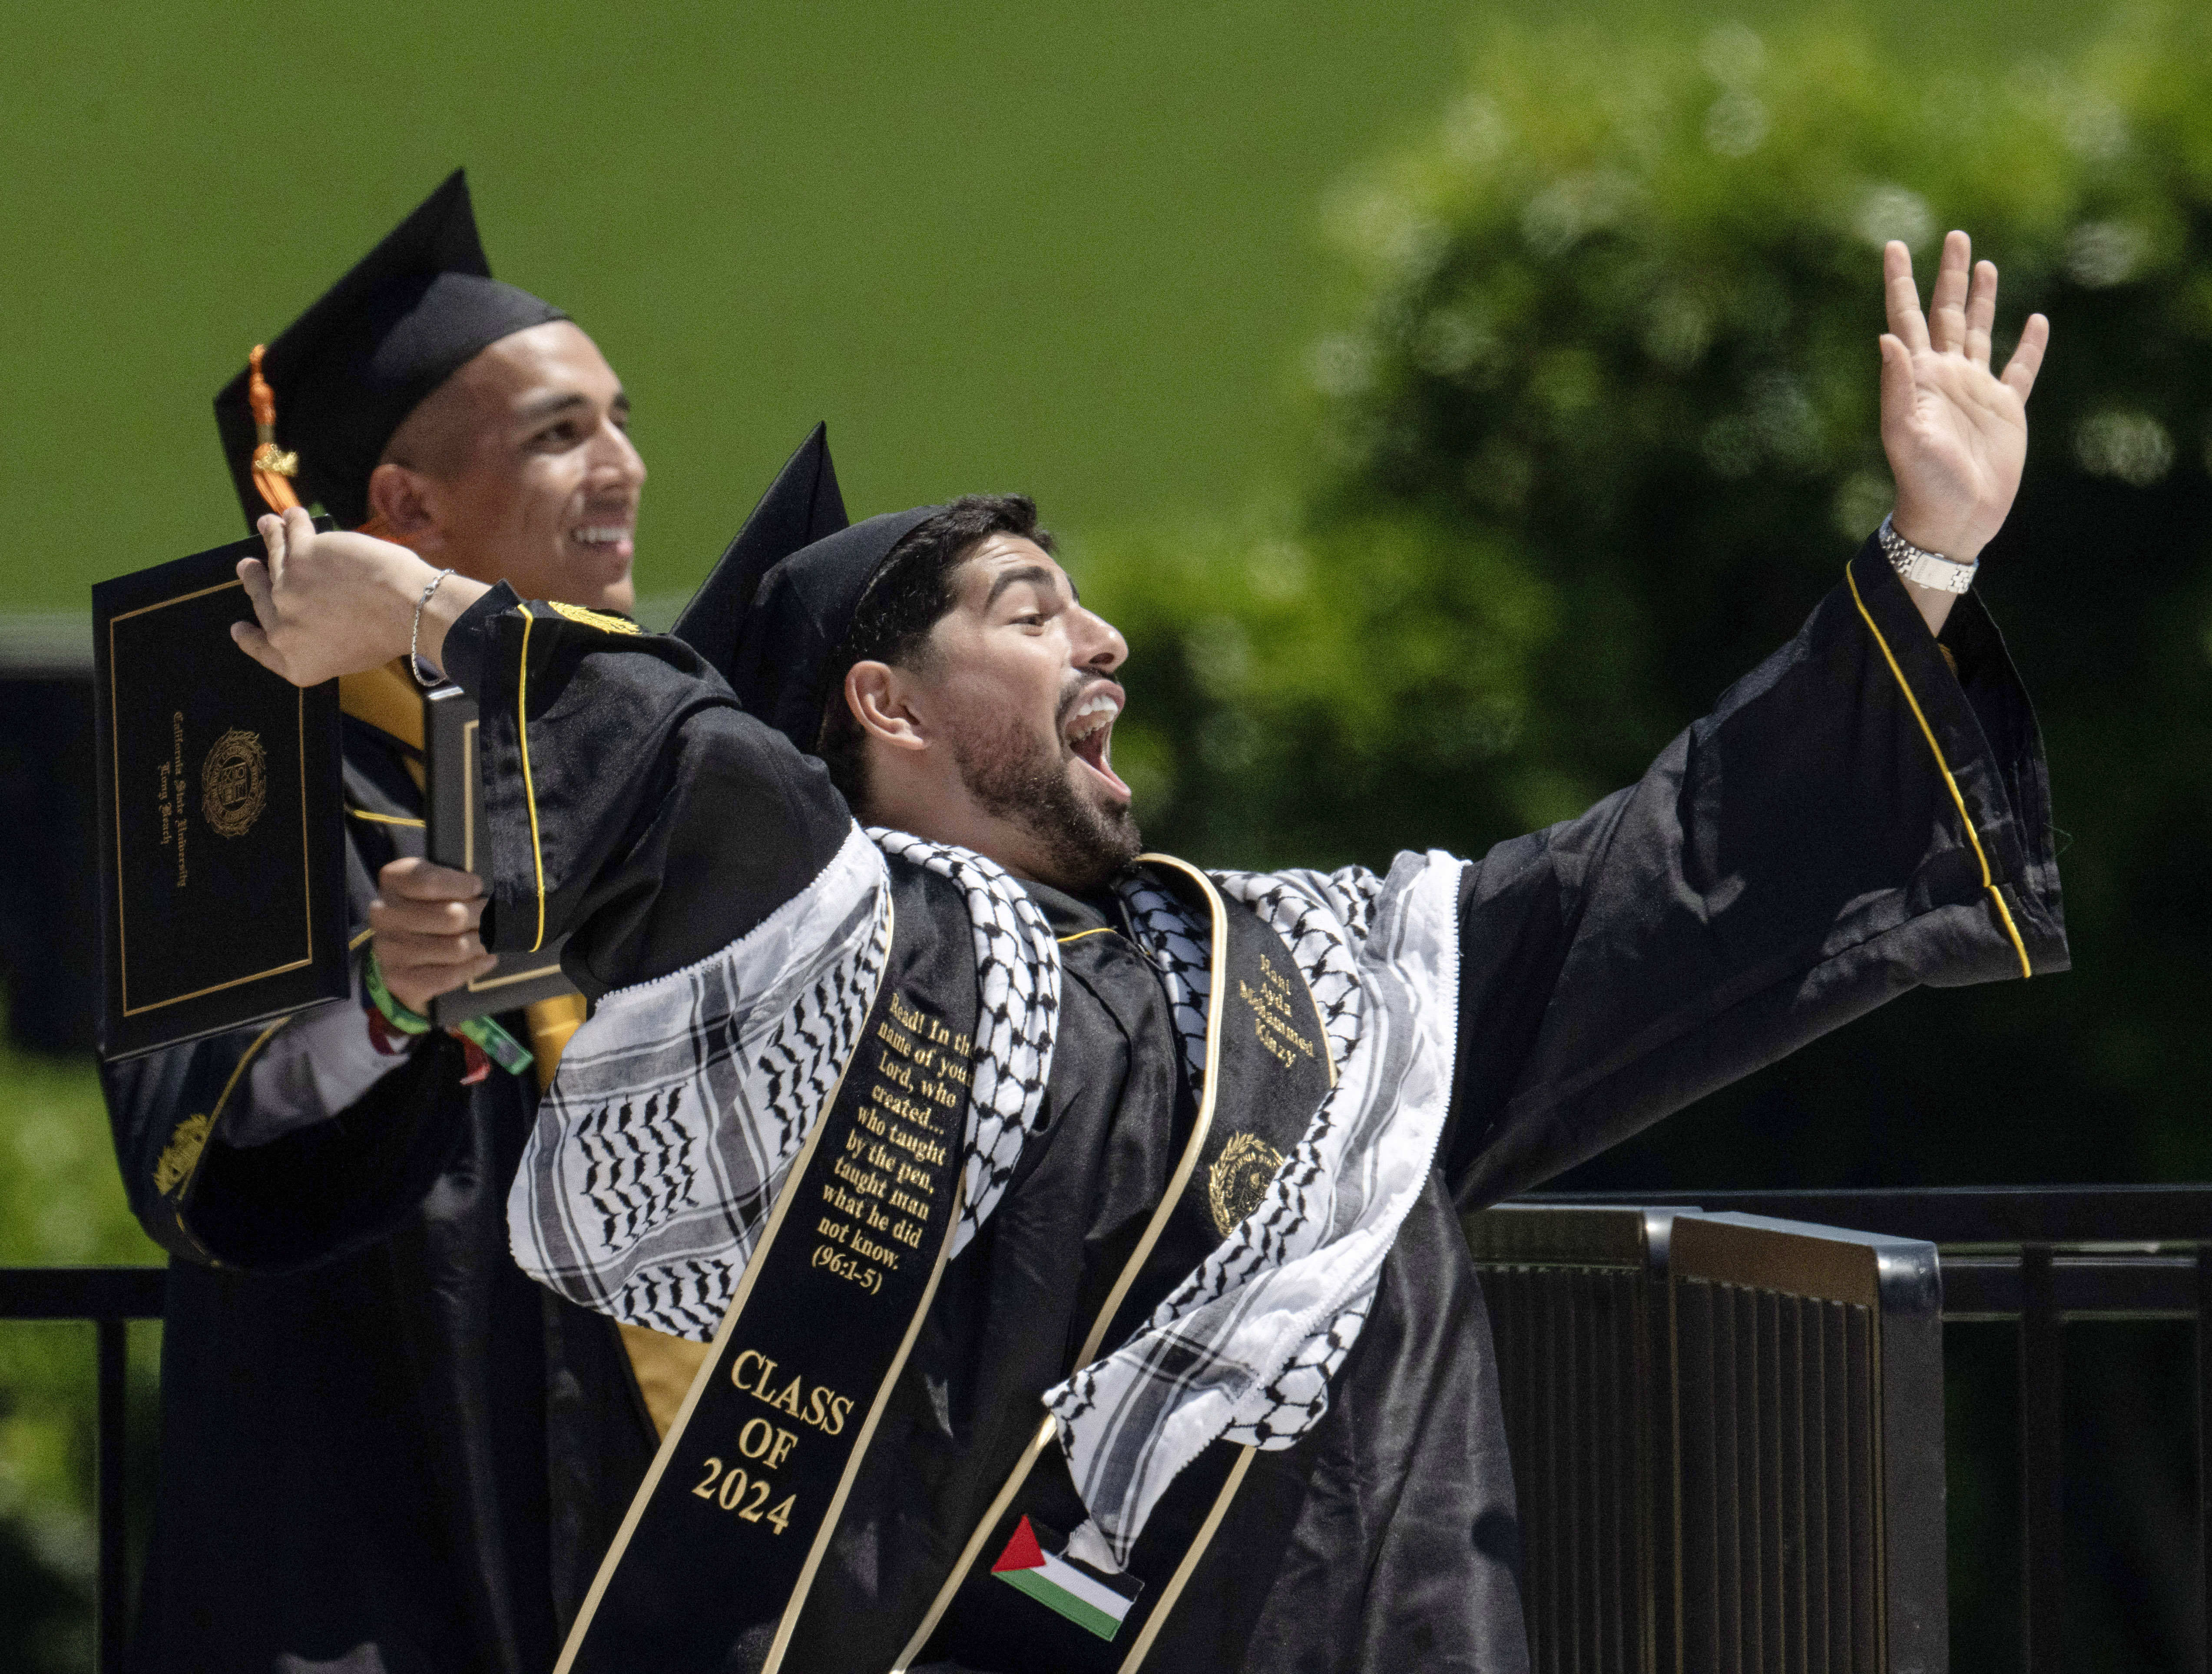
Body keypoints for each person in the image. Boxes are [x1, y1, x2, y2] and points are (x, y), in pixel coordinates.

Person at [230, 232, 2063, 1672]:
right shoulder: (830, 984)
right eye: (1031, 609)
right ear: (886, 705)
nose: (1104, 639)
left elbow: (1676, 864)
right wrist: (417, 604)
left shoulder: (1343, 977)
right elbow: (702, 781)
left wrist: (1928, 556)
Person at [102, 171, 658, 1674]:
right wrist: (381, 1006)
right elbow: (202, 1135)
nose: (623, 467)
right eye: (560, 435)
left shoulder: (628, 750)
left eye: (617, 420)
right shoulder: (232, 752)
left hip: (611, 1510)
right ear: (405, 508)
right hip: (352, 1502)